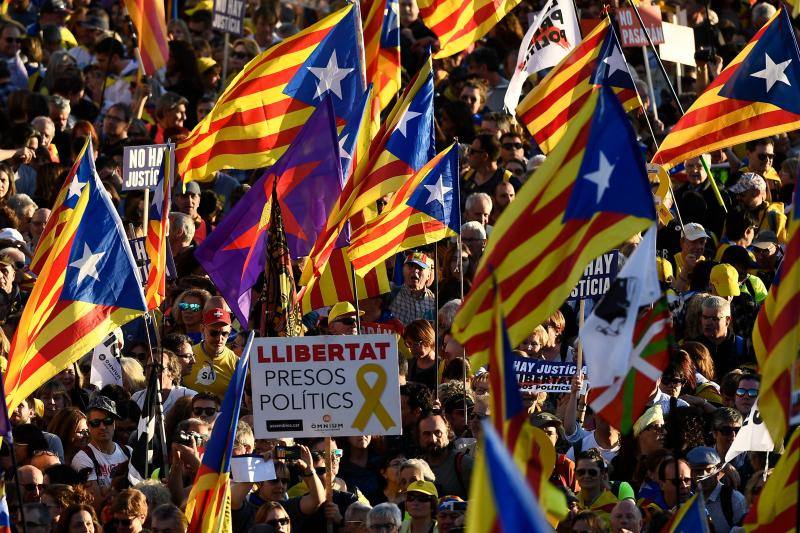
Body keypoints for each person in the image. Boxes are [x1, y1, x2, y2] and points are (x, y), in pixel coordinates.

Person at [70, 395, 131, 500]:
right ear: (88, 425)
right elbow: (96, 502)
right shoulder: (82, 458)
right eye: (96, 423)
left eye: (108, 421)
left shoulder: (129, 452)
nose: (102, 427)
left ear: (114, 423)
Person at [687, 446, 747, 531]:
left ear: (718, 470)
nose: (704, 474)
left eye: (708, 469)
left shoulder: (735, 500)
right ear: (691, 473)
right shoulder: (687, 499)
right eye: (698, 470)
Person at [690, 295, 751, 378]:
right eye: (705, 317)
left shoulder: (743, 347)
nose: (708, 323)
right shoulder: (693, 348)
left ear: (727, 320)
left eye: (714, 319)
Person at [184, 308, 238, 397]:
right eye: (214, 333)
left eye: (224, 333)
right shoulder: (186, 356)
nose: (219, 339)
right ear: (202, 329)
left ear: (230, 331)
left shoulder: (236, 363)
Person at [417, 412, 472, 499]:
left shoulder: (464, 465)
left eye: (438, 433)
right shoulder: (416, 467)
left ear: (448, 433)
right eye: (426, 434)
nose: (433, 440)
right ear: (419, 437)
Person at [389, 252, 435, 325]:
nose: (415, 271)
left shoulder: (434, 301)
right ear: (403, 270)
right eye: (411, 267)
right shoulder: (391, 292)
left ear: (429, 275)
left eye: (420, 268)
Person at [404, 319, 438, 391]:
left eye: (416, 344)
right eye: (409, 343)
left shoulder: (441, 366)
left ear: (428, 340)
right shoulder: (407, 365)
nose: (412, 348)